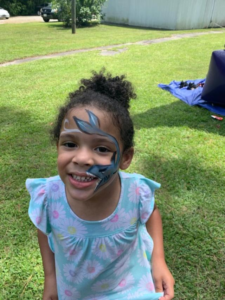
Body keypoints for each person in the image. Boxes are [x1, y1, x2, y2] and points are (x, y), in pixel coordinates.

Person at [26, 70, 175, 300]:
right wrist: (51, 279)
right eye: (69, 144)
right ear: (57, 146)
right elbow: (44, 230)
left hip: (131, 290)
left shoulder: (135, 192)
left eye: (102, 149)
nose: (82, 158)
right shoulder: (50, 196)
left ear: (125, 158)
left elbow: (152, 213)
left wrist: (158, 260)